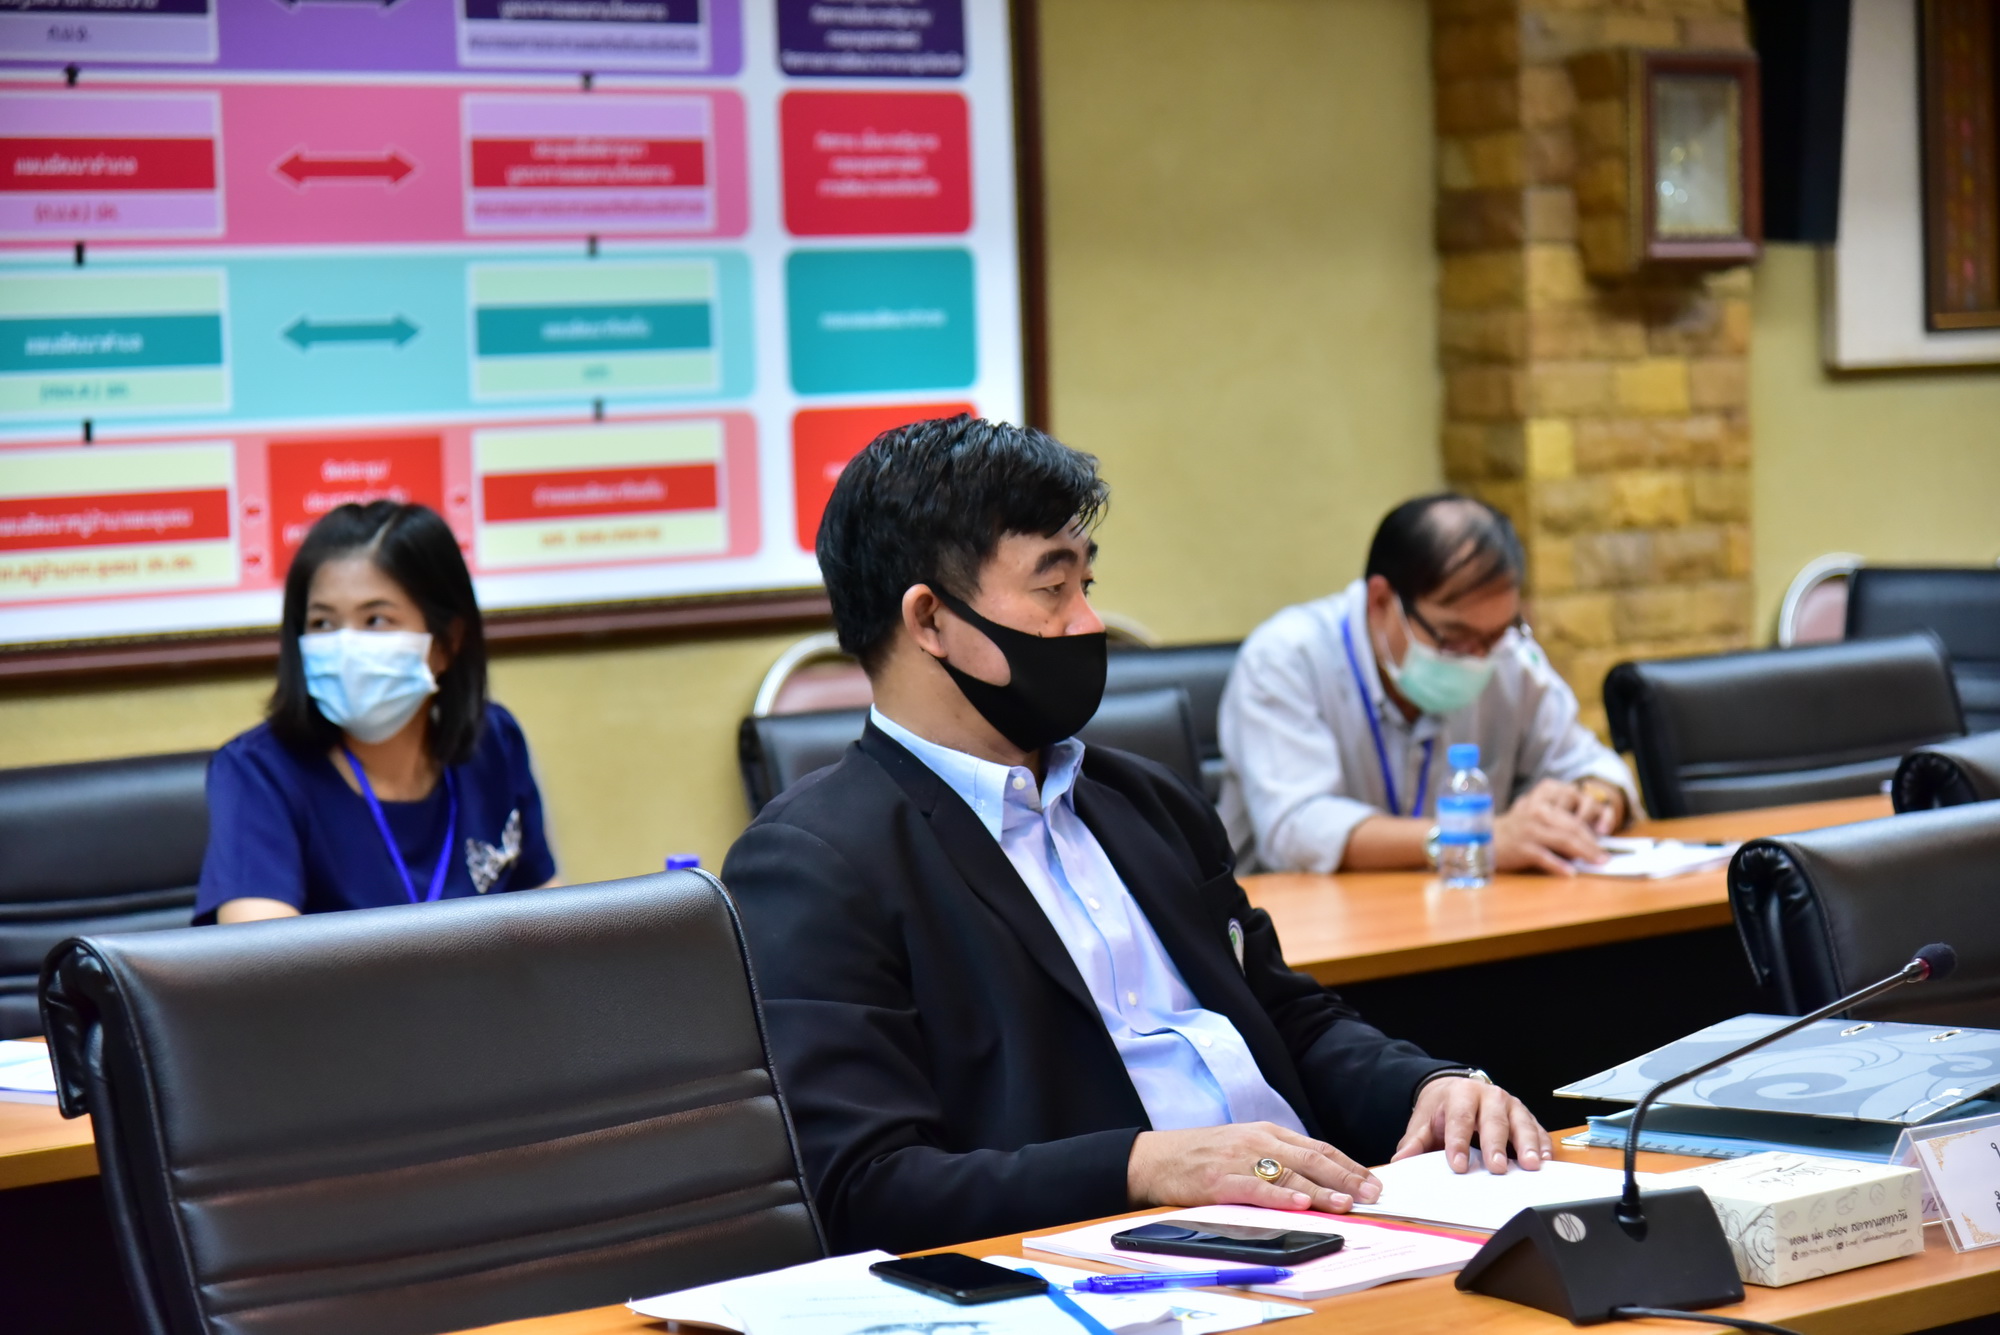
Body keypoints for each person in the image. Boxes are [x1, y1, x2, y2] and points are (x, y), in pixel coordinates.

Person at [721, 417, 1549, 1255]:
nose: (1089, 622)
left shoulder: (1144, 800)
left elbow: (1286, 1019)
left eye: (1087, 582)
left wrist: (1428, 1085)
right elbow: (867, 1187)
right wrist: (1143, 1164)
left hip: (1319, 1222)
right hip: (1117, 1265)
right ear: (930, 620)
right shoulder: (814, 861)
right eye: (1053, 588)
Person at [1218, 493, 1638, 876]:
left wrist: (1591, 801)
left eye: (1494, 636)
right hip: (1299, 924)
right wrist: (1472, 838)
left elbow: (1596, 767)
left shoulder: (1507, 654)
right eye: (1454, 638)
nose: (1478, 658)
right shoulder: (1286, 658)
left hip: (1464, 914)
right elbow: (1296, 829)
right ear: (1381, 601)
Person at [195, 502, 556, 924]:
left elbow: (548, 912)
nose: (346, 647)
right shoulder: (258, 771)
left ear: (446, 642)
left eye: (376, 620)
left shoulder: (493, 741)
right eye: (323, 624)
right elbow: (259, 952)